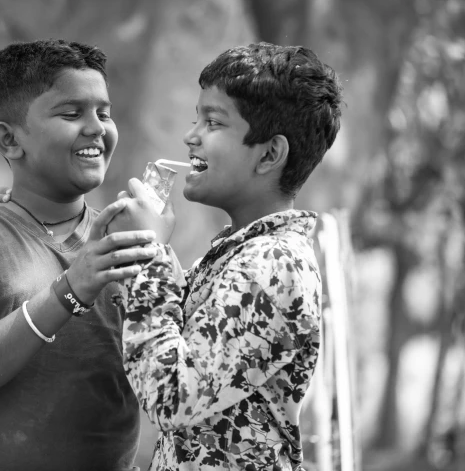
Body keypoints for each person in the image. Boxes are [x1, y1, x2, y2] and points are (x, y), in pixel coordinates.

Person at [0, 39, 159, 471]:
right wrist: (69, 290)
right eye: (72, 114)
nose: (96, 128)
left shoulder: (130, 242)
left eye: (104, 113)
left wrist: (158, 260)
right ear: (10, 140)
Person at [108, 42, 343, 470]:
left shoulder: (273, 263)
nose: (190, 136)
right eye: (196, 117)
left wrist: (153, 252)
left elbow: (172, 396)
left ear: (270, 154)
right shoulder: (240, 252)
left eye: (213, 122)